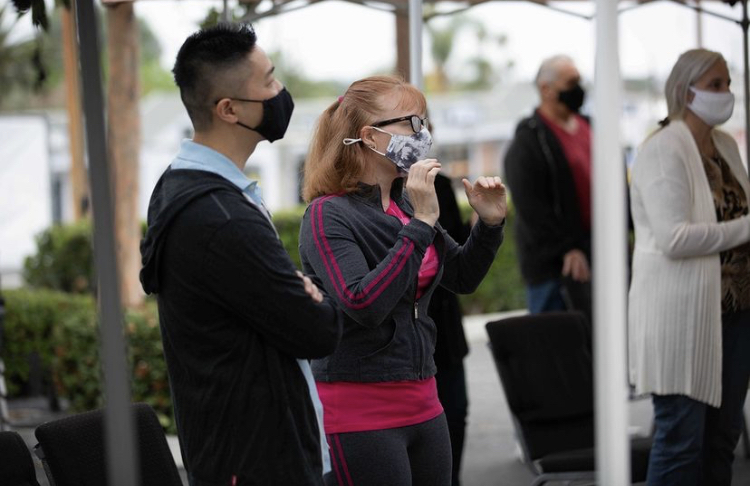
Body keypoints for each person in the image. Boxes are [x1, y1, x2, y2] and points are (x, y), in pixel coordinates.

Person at [139, 24, 342, 486]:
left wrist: (296, 289)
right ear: (229, 109)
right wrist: (308, 294)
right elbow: (317, 329)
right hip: (260, 462)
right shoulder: (220, 216)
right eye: (268, 81)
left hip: (245, 450)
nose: (280, 92)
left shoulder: (187, 186)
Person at [298, 75, 507, 486]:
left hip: (424, 399)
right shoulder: (327, 215)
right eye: (410, 124)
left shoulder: (406, 203)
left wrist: (489, 224)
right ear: (369, 137)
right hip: (360, 409)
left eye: (423, 122)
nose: (422, 134)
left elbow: (461, 276)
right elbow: (363, 303)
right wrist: (423, 224)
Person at [628, 48, 750, 486]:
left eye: (728, 84)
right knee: (681, 443)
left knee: (722, 441)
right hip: (679, 318)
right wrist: (745, 229)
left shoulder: (725, 144)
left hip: (735, 314)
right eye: (716, 85)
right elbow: (674, 238)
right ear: (686, 90)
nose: (726, 93)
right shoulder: (662, 149)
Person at [503, 54, 592, 324]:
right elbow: (531, 207)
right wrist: (567, 249)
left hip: (594, 257)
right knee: (557, 353)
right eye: (571, 82)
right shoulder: (529, 140)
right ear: (546, 89)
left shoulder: (589, 125)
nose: (578, 89)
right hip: (555, 271)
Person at [430, 173, 472, 486]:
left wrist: (484, 230)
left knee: (455, 413)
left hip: (444, 329)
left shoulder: (439, 184)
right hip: (404, 337)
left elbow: (458, 265)